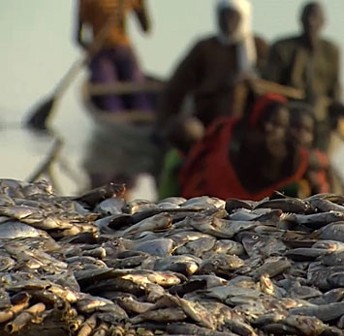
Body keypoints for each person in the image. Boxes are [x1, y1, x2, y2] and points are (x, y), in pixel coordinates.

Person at [156, 0, 269, 149]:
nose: (228, 22)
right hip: (207, 116)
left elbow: (270, 81)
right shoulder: (205, 47)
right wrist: (163, 122)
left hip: (248, 118)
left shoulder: (258, 47)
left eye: (233, 16)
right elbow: (176, 86)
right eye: (224, 16)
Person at [77, 0, 160, 196]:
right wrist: (90, 48)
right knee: (110, 96)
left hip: (124, 50)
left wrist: (140, 7)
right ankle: (125, 126)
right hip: (101, 53)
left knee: (139, 92)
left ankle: (146, 125)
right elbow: (78, 37)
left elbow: (147, 29)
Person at [263, 1, 344, 155]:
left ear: (324, 23)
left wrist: (341, 109)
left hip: (320, 118)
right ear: (300, 20)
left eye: (316, 18)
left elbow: (335, 88)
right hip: (288, 113)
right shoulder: (282, 48)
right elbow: (269, 87)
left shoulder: (331, 51)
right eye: (308, 17)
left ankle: (320, 162)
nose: (311, 22)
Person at [178, 93, 310, 201]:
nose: (268, 128)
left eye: (278, 125)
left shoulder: (292, 159)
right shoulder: (225, 133)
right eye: (265, 121)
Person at [76, 0, 153, 112]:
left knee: (114, 96)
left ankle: (129, 117)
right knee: (137, 92)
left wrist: (89, 49)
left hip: (110, 53)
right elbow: (146, 28)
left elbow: (78, 38)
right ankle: (143, 116)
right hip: (116, 52)